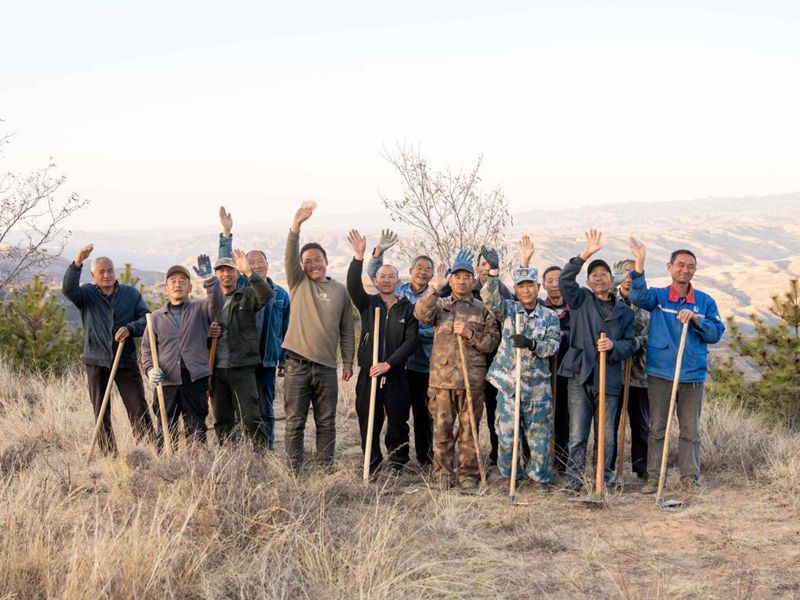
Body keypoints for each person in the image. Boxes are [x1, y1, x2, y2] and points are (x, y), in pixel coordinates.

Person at [629, 239, 725, 492]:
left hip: (692, 375)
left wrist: (695, 320)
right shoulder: (659, 297)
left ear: (694, 270)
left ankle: (689, 479)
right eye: (680, 265)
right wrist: (639, 263)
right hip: (661, 373)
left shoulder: (704, 302)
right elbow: (637, 296)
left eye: (690, 266)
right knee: (657, 428)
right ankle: (653, 477)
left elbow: (716, 333)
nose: (685, 269)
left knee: (690, 431)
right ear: (670, 267)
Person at [414, 251, 500, 491]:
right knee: (441, 430)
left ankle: (468, 474)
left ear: (473, 281)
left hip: (472, 381)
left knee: (469, 430)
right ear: (450, 280)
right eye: (457, 276)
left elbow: (492, 343)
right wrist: (433, 289)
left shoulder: (483, 309)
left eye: (467, 277)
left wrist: (471, 334)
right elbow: (420, 315)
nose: (462, 281)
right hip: (442, 381)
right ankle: (443, 474)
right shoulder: (440, 306)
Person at [558, 230, 636, 491]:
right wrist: (584, 255)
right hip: (580, 375)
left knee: (607, 437)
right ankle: (574, 482)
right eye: (594, 275)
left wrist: (614, 346)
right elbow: (564, 280)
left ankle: (603, 479)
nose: (599, 278)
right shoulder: (580, 300)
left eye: (604, 274)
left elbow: (631, 342)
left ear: (613, 279)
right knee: (578, 435)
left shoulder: (624, 312)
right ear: (588, 281)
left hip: (610, 379)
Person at [481, 238, 561, 488]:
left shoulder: (549, 316)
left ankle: (539, 478)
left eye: (530, 286)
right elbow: (489, 298)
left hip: (537, 389)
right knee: (506, 433)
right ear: (515, 289)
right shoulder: (509, 310)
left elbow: (552, 345)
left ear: (538, 287)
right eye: (521, 286)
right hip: (508, 386)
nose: (526, 291)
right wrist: (493, 272)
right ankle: (510, 475)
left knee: (538, 436)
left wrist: (532, 344)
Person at [283, 201, 355, 471]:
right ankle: (294, 470)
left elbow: (347, 329)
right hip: (297, 365)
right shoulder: (298, 283)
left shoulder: (340, 291)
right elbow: (290, 255)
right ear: (301, 266)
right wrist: (296, 225)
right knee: (294, 422)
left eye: (317, 259)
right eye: (307, 261)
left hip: (326, 367)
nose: (313, 264)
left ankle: (325, 469)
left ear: (326, 261)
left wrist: (348, 362)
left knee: (326, 422)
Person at [62, 245, 154, 455]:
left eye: (110, 270)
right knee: (101, 411)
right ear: (93, 275)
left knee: (137, 406)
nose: (106, 275)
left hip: (125, 358)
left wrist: (131, 328)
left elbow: (147, 319)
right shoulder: (86, 294)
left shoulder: (130, 294)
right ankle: (109, 455)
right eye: (101, 272)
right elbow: (68, 290)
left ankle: (148, 450)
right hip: (96, 359)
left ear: (115, 272)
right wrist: (77, 263)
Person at [217, 206, 291, 450]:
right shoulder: (243, 291)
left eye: (260, 261)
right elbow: (224, 266)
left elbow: (286, 328)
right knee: (244, 408)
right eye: (251, 262)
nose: (256, 265)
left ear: (268, 264)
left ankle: (265, 449)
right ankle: (241, 450)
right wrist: (226, 234)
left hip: (267, 359)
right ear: (243, 266)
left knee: (265, 406)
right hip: (243, 359)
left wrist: (284, 358)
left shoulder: (279, 294)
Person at [346, 230, 419, 473]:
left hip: (396, 375)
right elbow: (353, 285)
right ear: (375, 281)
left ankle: (397, 463)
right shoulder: (367, 303)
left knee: (398, 421)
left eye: (391, 276)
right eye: (382, 276)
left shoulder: (407, 309)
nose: (386, 280)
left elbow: (411, 342)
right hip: (369, 374)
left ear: (398, 282)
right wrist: (358, 257)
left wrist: (389, 364)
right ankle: (372, 462)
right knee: (369, 420)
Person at [368, 230, 435, 467]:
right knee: (399, 414)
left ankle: (426, 459)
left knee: (424, 414)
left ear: (433, 275)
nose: (423, 272)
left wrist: (414, 332)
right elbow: (376, 277)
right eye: (419, 267)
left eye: (428, 269)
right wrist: (377, 253)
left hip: (425, 364)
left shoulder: (436, 296)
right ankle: (398, 458)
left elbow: (432, 329)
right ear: (411, 271)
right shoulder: (400, 291)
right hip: (400, 365)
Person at [141, 257, 223, 449]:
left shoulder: (200, 309)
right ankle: (166, 470)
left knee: (196, 429)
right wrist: (150, 370)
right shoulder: (155, 318)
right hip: (166, 380)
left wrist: (210, 279)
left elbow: (218, 302)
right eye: (173, 281)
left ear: (189, 288)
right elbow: (146, 349)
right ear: (166, 288)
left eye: (182, 281)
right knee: (165, 429)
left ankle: (197, 470)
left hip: (194, 379)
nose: (177, 284)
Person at [210, 249, 273, 447]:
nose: (226, 274)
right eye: (221, 271)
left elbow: (266, 294)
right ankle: (229, 458)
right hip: (216, 369)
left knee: (251, 418)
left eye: (230, 270)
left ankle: (261, 458)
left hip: (243, 367)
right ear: (216, 274)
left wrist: (249, 272)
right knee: (223, 419)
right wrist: (208, 332)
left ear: (236, 273)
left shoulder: (247, 295)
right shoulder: (210, 302)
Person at [610, 259, 651, 481]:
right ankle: (608, 469)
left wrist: (634, 343)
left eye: (633, 274)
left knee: (641, 424)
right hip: (614, 373)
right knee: (610, 425)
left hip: (638, 373)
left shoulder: (646, 303)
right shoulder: (609, 301)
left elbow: (651, 335)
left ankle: (642, 467)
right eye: (625, 273)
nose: (629, 278)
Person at [540, 264, 570, 473]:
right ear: (543, 285)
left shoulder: (575, 308)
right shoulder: (540, 308)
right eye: (549, 281)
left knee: (565, 421)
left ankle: (562, 463)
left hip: (568, 375)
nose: (554, 285)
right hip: (543, 375)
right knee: (544, 421)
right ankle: (543, 462)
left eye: (558, 280)